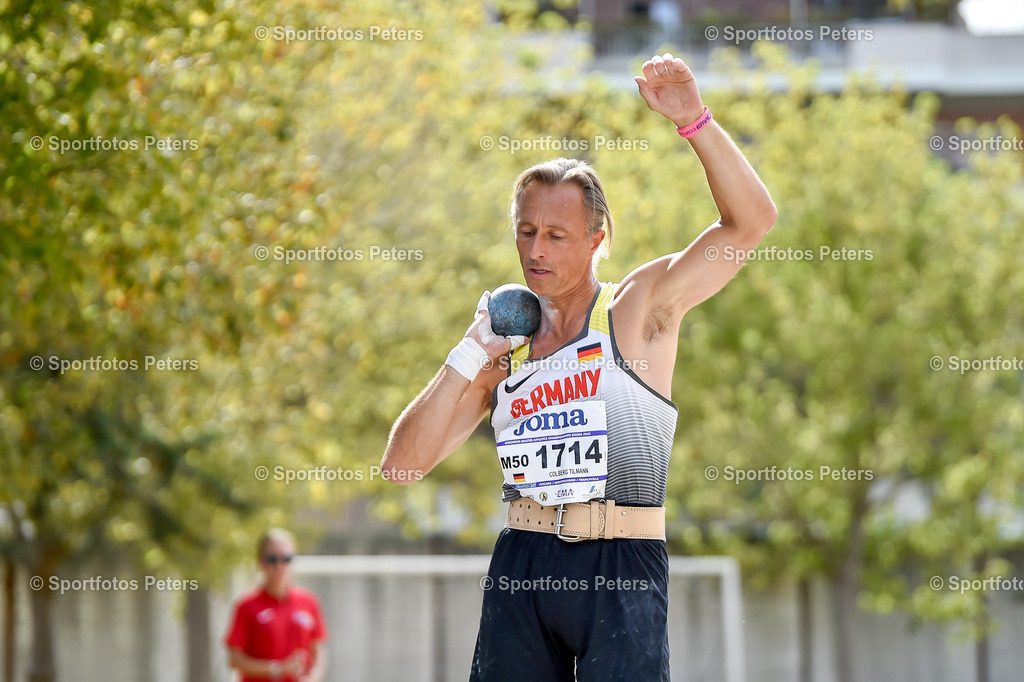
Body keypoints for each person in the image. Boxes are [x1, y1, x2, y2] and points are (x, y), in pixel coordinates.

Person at [381, 53, 776, 680]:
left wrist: (694, 121)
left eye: (557, 236)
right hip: (522, 562)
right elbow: (403, 466)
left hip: (620, 563)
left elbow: (752, 222)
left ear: (596, 240)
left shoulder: (640, 310)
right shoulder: (503, 347)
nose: (536, 250)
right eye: (526, 231)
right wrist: (467, 353)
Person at [224, 529, 327, 682]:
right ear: (260, 561)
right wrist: (277, 668)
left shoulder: (308, 601)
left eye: (286, 558)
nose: (279, 565)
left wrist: (313, 677)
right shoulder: (246, 605)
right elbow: (234, 660)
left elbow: (318, 650)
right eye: (272, 559)